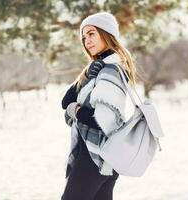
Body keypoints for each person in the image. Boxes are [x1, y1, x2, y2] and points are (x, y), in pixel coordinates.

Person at [60, 12, 138, 200]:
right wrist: (87, 75)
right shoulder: (100, 69)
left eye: (92, 33)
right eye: (84, 37)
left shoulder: (110, 71)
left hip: (94, 157)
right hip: (106, 156)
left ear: (107, 33)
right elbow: (65, 101)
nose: (87, 40)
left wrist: (76, 111)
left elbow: (101, 121)